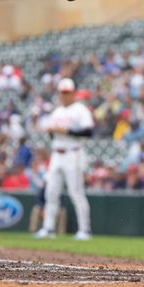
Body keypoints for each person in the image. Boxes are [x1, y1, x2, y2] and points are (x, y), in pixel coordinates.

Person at [35, 78, 95, 241]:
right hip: (56, 154)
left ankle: (84, 230)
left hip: (73, 153)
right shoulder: (57, 111)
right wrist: (50, 130)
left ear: (74, 93)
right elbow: (52, 134)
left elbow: (89, 132)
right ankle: (48, 228)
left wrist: (66, 130)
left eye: (67, 92)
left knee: (76, 193)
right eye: (62, 92)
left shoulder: (80, 109)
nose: (65, 95)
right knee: (51, 193)